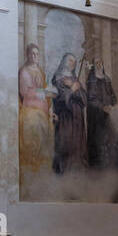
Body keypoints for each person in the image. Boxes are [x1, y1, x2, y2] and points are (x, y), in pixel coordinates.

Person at [18, 43, 54, 174]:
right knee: (33, 137)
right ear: (28, 55)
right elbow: (25, 92)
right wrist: (44, 93)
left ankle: (42, 171)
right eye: (32, 54)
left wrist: (51, 109)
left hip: (43, 110)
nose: (35, 56)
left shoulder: (41, 72)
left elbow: (47, 93)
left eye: (37, 54)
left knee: (46, 139)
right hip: (30, 108)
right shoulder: (24, 71)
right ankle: (32, 171)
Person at [51, 53, 87, 175]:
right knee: (67, 143)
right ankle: (65, 173)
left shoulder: (74, 79)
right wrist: (72, 89)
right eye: (70, 61)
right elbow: (60, 99)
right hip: (66, 117)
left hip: (77, 117)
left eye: (74, 62)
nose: (73, 64)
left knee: (77, 144)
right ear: (64, 62)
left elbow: (84, 99)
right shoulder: (58, 78)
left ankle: (78, 171)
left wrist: (74, 88)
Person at [86, 59, 118, 170]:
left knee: (110, 137)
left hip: (108, 113)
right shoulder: (91, 80)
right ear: (94, 66)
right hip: (97, 115)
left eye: (101, 63)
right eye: (97, 63)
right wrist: (102, 107)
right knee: (98, 139)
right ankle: (98, 166)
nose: (99, 65)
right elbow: (91, 99)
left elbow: (113, 95)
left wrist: (114, 104)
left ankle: (111, 163)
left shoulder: (107, 79)